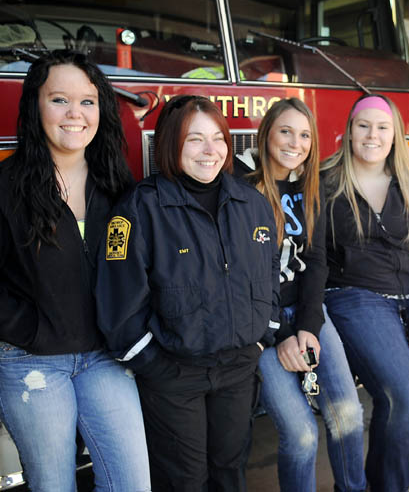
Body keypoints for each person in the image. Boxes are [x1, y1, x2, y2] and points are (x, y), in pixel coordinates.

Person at [0, 50, 150, 492]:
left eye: (88, 101)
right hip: (31, 363)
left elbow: (136, 268)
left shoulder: (117, 184)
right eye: (59, 100)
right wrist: (32, 328)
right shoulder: (2, 186)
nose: (75, 114)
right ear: (35, 106)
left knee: (132, 484)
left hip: (104, 358)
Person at [95, 95, 280, 492]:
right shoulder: (138, 210)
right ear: (170, 144)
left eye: (218, 138)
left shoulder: (252, 203)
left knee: (230, 471)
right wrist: (156, 367)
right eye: (195, 139)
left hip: (238, 370)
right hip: (174, 377)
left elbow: (269, 271)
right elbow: (118, 304)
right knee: (184, 481)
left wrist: (264, 335)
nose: (210, 151)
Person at [321, 94, 409, 492]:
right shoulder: (326, 182)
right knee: (402, 399)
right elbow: (314, 258)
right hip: (356, 297)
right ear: (348, 132)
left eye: (382, 127)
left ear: (396, 135)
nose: (372, 135)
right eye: (363, 125)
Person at [234, 98, 366, 492]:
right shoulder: (241, 191)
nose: (296, 142)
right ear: (267, 134)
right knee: (302, 434)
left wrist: (309, 325)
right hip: (263, 325)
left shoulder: (311, 188)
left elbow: (317, 260)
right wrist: (283, 335)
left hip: (307, 314)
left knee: (348, 415)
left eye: (305, 134)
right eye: (286, 132)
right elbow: (244, 277)